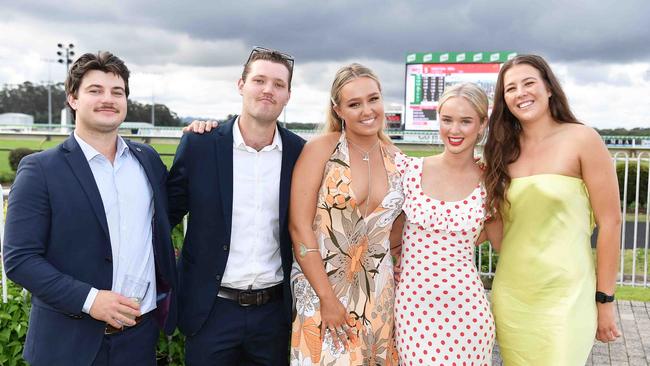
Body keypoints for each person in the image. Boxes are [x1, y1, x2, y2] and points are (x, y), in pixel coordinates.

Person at [2, 51, 177, 366]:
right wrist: (90, 300)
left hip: (138, 340)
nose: (108, 99)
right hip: (68, 345)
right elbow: (19, 259)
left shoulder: (147, 160)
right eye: (95, 90)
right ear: (72, 98)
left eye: (117, 91)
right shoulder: (40, 169)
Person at [167, 47, 305, 365]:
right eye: (259, 80)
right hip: (210, 311)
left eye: (278, 84)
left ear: (288, 95)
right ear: (241, 85)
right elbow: (163, 218)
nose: (268, 90)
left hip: (273, 315)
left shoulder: (300, 153)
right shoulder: (199, 145)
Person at [483, 54, 622, 364]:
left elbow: (610, 223)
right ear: (504, 100)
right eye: (511, 88)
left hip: (567, 295)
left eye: (529, 82)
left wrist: (605, 300)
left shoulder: (583, 139)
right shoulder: (501, 152)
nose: (521, 93)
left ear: (548, 87)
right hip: (513, 295)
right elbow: (499, 232)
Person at [289, 63, 403, 365]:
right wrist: (326, 299)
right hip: (322, 289)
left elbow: (400, 236)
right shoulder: (320, 150)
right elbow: (300, 227)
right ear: (338, 109)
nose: (367, 110)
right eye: (354, 104)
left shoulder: (398, 160)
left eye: (373, 99)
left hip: (380, 295)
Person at [392, 83, 496, 365]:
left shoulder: (489, 182)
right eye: (447, 120)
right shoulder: (411, 170)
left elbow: (501, 243)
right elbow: (390, 233)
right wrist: (394, 262)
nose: (455, 130)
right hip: (415, 309)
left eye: (465, 121)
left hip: (467, 313)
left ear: (482, 123)